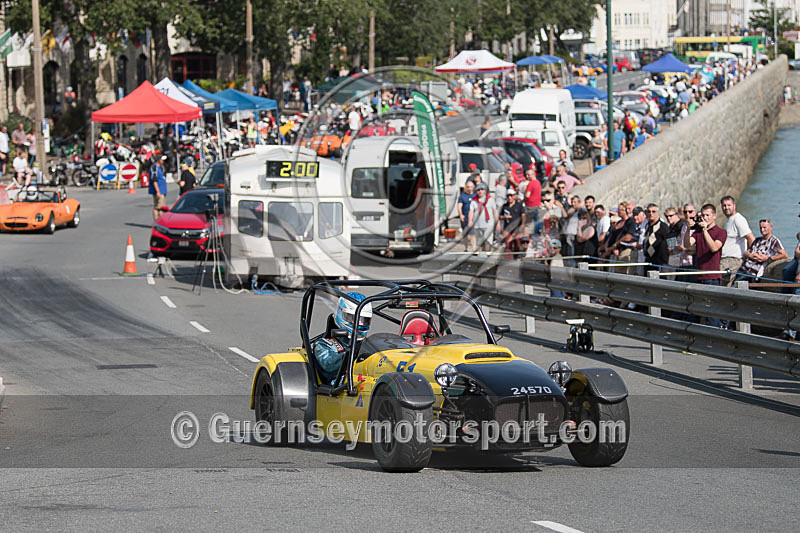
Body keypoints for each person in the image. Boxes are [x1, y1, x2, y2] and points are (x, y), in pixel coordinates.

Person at [314, 292, 373, 385]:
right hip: (340, 392)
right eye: (353, 318)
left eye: (364, 320)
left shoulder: (369, 346)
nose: (359, 323)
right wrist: (353, 353)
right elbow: (329, 365)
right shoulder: (322, 344)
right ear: (340, 314)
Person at [683, 203, 727, 327]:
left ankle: (715, 339)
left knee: (712, 313)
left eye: (707, 215)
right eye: (703, 215)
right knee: (694, 311)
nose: (705, 218)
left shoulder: (721, 232)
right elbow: (686, 244)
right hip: (697, 274)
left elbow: (713, 248)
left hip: (712, 277)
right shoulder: (696, 231)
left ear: (714, 216)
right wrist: (687, 228)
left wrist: (705, 230)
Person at [720, 195, 755, 286]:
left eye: (729, 205)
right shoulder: (728, 220)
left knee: (726, 288)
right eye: (724, 205)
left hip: (733, 261)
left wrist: (747, 255)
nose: (726, 208)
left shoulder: (738, 219)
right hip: (725, 260)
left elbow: (751, 237)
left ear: (734, 206)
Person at [468, 184, 498, 252]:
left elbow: (494, 211)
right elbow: (471, 211)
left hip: (488, 224)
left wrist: (497, 222)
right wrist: (470, 221)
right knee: (481, 242)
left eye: (482, 189)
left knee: (488, 241)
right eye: (478, 190)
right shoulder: (474, 201)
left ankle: (488, 255)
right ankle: (483, 255)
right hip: (477, 225)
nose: (480, 191)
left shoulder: (490, 199)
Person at [500, 193, 526, 259]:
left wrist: (522, 225)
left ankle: (516, 258)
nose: (509, 197)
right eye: (508, 196)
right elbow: (500, 216)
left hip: (517, 228)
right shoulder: (504, 206)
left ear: (514, 196)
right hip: (507, 228)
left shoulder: (519, 205)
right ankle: (508, 260)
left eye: (511, 195)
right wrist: (504, 217)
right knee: (508, 245)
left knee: (517, 244)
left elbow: (523, 215)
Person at [458, 181, 475, 251]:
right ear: (465, 187)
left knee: (473, 233)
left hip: (473, 218)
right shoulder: (462, 196)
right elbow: (459, 206)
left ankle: (474, 248)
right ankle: (466, 248)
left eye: (471, 187)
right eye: (468, 187)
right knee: (465, 234)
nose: (469, 188)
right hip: (465, 217)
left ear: (473, 187)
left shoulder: (475, 196)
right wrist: (461, 215)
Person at [149, 155, 168, 222]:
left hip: (162, 190)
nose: (163, 161)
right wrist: (157, 191)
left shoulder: (160, 167)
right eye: (161, 159)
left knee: (159, 207)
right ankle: (159, 222)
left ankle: (159, 222)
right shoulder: (154, 168)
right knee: (160, 208)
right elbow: (154, 180)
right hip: (159, 190)